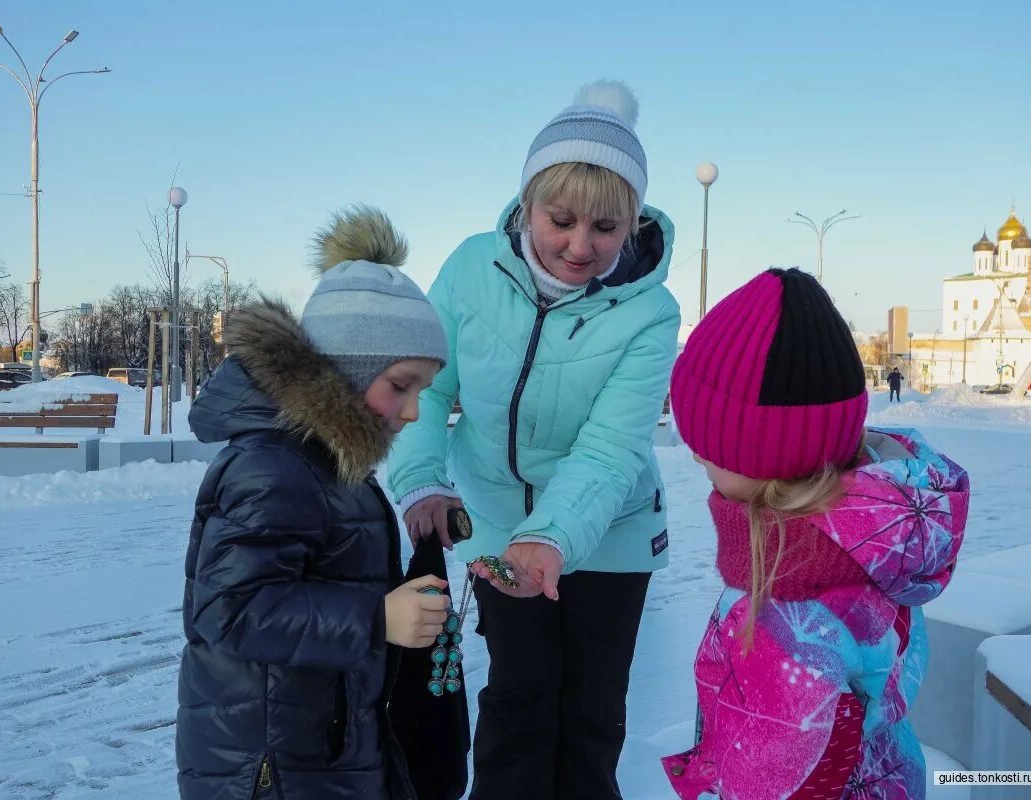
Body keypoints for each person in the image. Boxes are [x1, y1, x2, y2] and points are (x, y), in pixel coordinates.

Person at [387, 80, 679, 800]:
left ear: (632, 222)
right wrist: (421, 478)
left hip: (609, 531)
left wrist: (551, 538)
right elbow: (427, 386)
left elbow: (611, 448)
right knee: (518, 701)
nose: (581, 245)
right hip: (497, 524)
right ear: (527, 204)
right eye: (562, 219)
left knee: (589, 714)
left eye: (606, 229)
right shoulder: (470, 269)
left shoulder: (651, 312)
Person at [662, 268, 969, 799]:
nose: (694, 453)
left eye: (707, 442)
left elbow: (776, 774)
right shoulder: (871, 544)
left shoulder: (786, 600)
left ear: (765, 455)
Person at [176, 207, 451, 800]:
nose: (412, 411)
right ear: (346, 372)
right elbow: (230, 606)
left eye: (422, 392)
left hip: (320, 745)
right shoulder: (273, 467)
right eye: (400, 386)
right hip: (269, 765)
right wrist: (376, 618)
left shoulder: (328, 463)